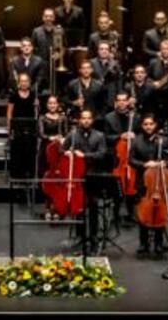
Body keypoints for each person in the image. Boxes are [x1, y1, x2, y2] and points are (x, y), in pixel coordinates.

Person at [63, 109, 107, 254]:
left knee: (93, 207)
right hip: (77, 177)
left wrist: (85, 155)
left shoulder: (99, 135)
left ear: (92, 120)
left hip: (93, 175)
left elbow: (101, 154)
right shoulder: (73, 135)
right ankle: (80, 237)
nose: (86, 121)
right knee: (79, 207)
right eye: (83, 118)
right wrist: (67, 153)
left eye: (88, 118)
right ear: (79, 120)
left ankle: (94, 238)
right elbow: (62, 150)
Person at [129, 114, 168, 255]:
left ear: (155, 125)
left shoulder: (164, 140)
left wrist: (165, 163)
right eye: (146, 124)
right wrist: (145, 164)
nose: (148, 126)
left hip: (160, 181)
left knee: (159, 209)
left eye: (151, 124)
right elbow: (131, 160)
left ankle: (159, 242)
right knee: (143, 210)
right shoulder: (136, 141)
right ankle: (143, 243)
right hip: (143, 182)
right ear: (142, 126)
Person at [103, 92, 140, 222]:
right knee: (117, 186)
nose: (122, 103)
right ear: (115, 103)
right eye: (119, 100)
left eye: (124, 100)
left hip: (132, 157)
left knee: (132, 185)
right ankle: (115, 213)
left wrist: (135, 136)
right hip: (117, 157)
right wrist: (120, 136)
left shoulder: (135, 117)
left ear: (128, 102)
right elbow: (106, 137)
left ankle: (131, 212)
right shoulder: (109, 118)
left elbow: (142, 136)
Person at [37, 94, 69, 221]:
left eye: (54, 103)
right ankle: (47, 208)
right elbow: (41, 134)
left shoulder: (63, 118)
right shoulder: (42, 118)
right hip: (46, 150)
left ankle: (57, 208)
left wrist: (61, 138)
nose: (52, 105)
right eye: (50, 103)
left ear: (58, 104)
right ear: (47, 105)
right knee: (47, 179)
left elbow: (66, 133)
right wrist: (51, 138)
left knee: (59, 179)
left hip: (59, 150)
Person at [30, 8, 61, 94]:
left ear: (54, 18)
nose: (48, 18)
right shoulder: (36, 31)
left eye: (51, 16)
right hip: (40, 65)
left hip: (54, 65)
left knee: (54, 90)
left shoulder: (59, 31)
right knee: (39, 90)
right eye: (46, 16)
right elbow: (32, 47)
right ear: (43, 18)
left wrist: (59, 54)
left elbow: (64, 47)